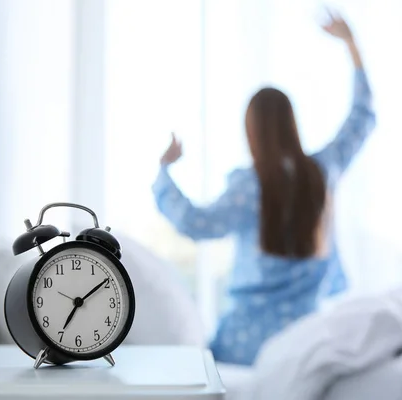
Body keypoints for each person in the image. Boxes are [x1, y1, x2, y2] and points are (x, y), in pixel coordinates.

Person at [152, 13, 376, 365]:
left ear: (252, 133)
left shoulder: (249, 186)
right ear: (292, 124)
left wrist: (165, 172)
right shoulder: (322, 171)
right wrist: (351, 45)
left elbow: (194, 223)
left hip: (244, 344)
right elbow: (362, 117)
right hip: (305, 342)